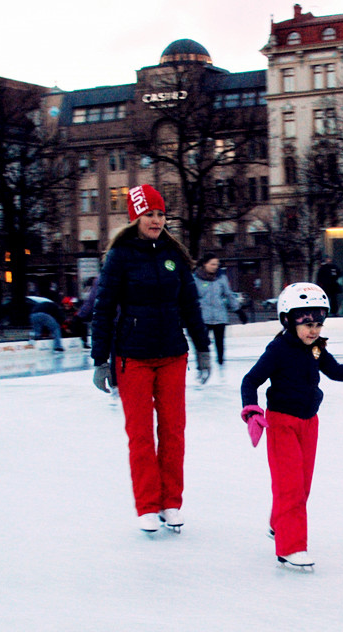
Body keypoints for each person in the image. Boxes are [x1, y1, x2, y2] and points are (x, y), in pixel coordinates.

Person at [240, 282, 343, 570]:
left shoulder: (316, 348)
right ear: (287, 320)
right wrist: (252, 412)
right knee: (289, 486)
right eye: (306, 324)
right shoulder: (278, 350)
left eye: (318, 323)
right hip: (281, 423)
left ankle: (279, 522)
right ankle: (290, 548)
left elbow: (336, 370)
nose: (313, 330)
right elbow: (250, 380)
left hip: (309, 423)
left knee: (300, 486)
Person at [90, 184, 211, 533]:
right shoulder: (120, 257)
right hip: (134, 357)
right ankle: (147, 505)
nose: (156, 220)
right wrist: (101, 359)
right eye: (149, 214)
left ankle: (171, 502)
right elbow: (104, 309)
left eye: (160, 214)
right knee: (141, 435)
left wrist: (202, 348)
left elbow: (190, 304)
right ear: (135, 217)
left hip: (173, 353)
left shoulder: (174, 254)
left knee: (174, 432)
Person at [194, 255, 240, 370]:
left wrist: (238, 309)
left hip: (220, 316)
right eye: (212, 264)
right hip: (203, 317)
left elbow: (229, 294)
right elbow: (191, 297)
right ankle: (202, 363)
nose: (215, 267)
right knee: (202, 341)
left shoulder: (221, 278)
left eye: (217, 265)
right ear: (205, 264)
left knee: (220, 342)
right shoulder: (195, 279)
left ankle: (221, 364)